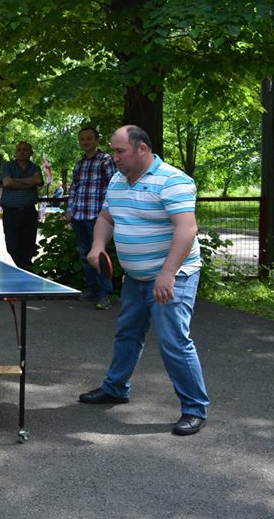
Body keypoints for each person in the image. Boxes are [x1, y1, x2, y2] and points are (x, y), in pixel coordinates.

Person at [79, 125, 209, 436]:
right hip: (136, 278)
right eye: (113, 150)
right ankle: (116, 388)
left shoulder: (173, 180)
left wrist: (167, 274)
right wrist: (98, 245)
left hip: (174, 276)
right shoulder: (117, 180)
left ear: (142, 148)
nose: (114, 157)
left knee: (173, 342)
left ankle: (194, 408)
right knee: (127, 333)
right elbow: (106, 217)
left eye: (120, 151)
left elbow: (187, 229)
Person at [66, 126, 117, 309]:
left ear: (97, 140)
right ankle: (92, 288)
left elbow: (114, 187)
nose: (85, 142)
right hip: (79, 215)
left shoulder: (106, 160)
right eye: (82, 139)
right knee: (85, 255)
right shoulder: (79, 164)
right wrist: (70, 210)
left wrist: (108, 212)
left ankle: (105, 293)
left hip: (98, 217)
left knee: (100, 255)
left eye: (89, 138)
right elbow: (74, 188)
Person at [0, 141, 44, 270]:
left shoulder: (35, 168)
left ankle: (27, 273)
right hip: (11, 213)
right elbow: (7, 183)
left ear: (31, 153)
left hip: (29, 212)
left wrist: (14, 181)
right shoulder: (8, 166)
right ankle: (32, 271)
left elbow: (38, 180)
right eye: (19, 150)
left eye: (25, 150)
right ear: (16, 152)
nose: (22, 152)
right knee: (12, 246)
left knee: (28, 247)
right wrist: (29, 182)